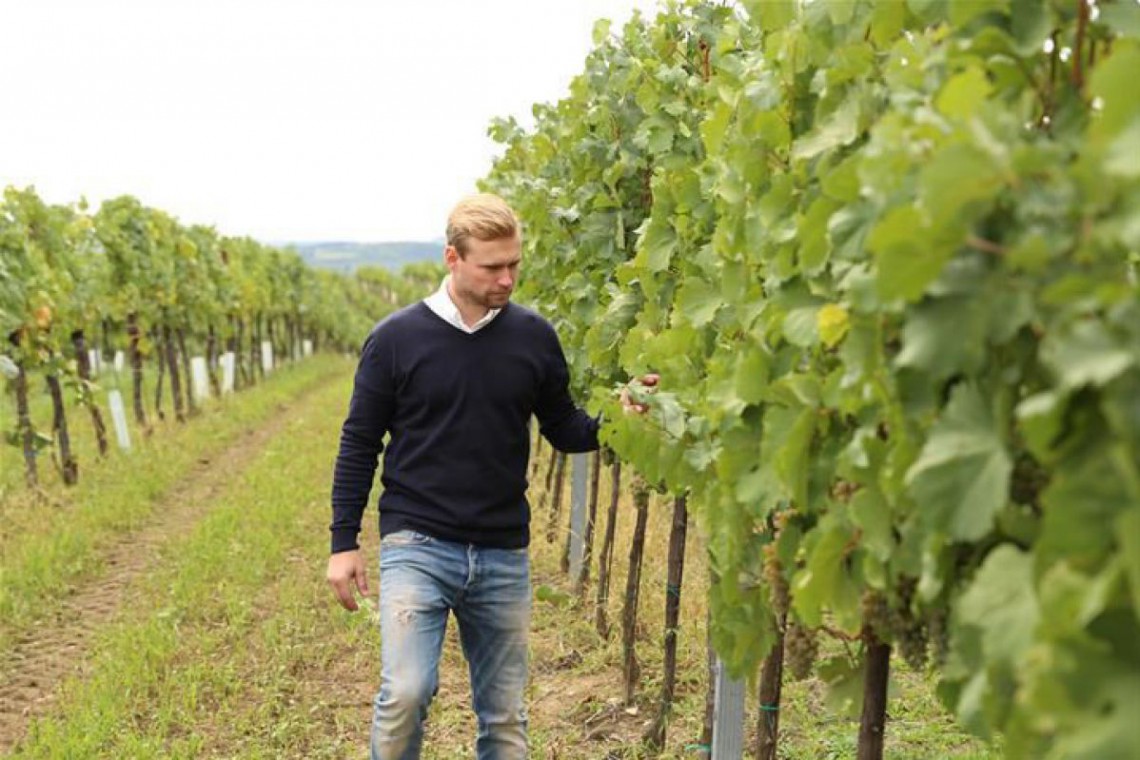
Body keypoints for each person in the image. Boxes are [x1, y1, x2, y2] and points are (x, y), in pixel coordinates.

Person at [326, 192, 655, 760]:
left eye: (514, 264)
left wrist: (616, 420)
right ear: (453, 259)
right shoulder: (396, 340)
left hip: (502, 550)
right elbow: (359, 442)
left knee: (503, 719)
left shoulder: (534, 338)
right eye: (493, 266)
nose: (507, 278)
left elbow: (566, 429)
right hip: (417, 543)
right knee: (406, 692)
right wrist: (343, 543)